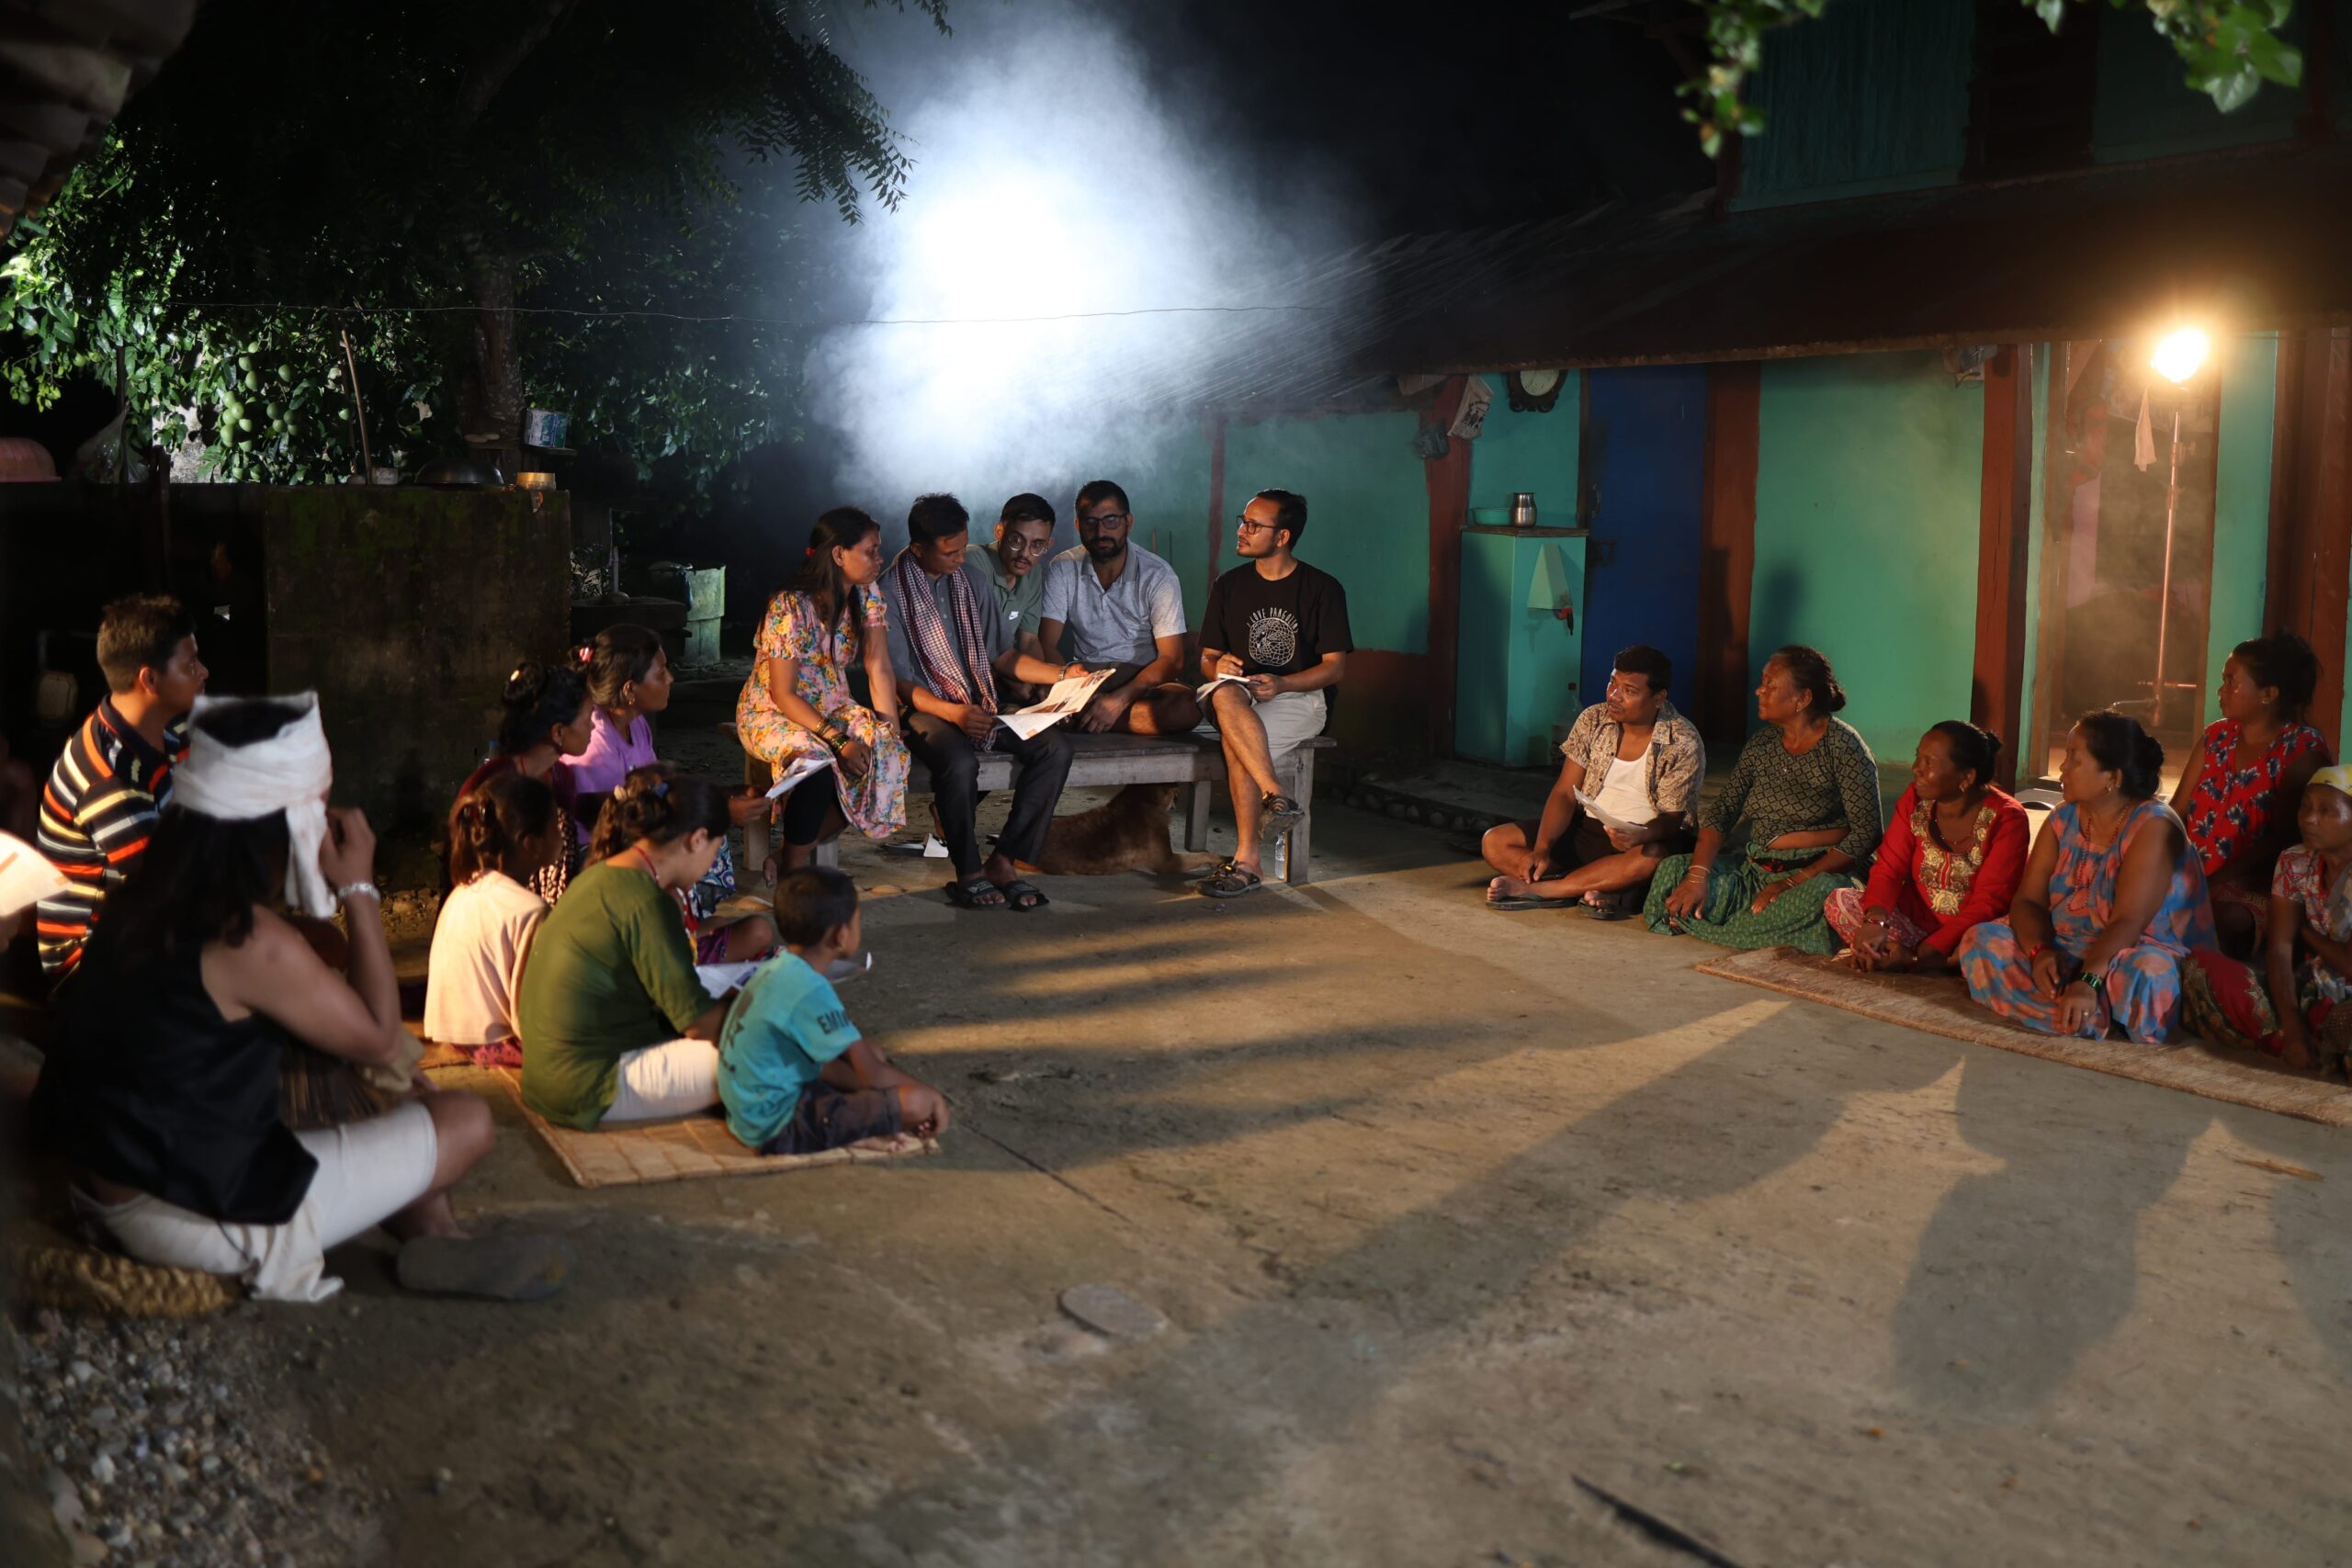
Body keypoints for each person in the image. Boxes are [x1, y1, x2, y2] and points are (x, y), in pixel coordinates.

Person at [28, 694, 561, 1303]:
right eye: (318, 801)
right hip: (188, 1215)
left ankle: (437, 1234)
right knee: (465, 1119)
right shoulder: (246, 936)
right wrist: (359, 886)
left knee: (380, 1086)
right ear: (280, 815)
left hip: (121, 1178)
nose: (329, 816)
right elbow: (382, 1035)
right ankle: (434, 1230)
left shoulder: (143, 898)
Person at [1958, 711, 2215, 1043]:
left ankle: (2076, 1008)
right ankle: (2083, 1017)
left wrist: (2088, 980)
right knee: (1981, 941)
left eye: (2074, 759)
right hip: (2066, 948)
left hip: (2131, 951)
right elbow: (2027, 900)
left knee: (2148, 975)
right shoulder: (2062, 819)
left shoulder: (2152, 824)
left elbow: (2128, 921)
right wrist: (2039, 953)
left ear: (2112, 777)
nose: (2063, 768)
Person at [884, 493, 1080, 911]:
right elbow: (900, 683)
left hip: (979, 700)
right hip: (924, 708)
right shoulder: (889, 592)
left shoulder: (970, 581)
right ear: (919, 549)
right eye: (949, 552)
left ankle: (1004, 860)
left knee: (1055, 748)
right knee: (959, 763)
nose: (959, 558)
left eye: (962, 547)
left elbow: (1004, 657)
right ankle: (969, 870)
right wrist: (953, 712)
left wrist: (1063, 675)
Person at [517, 768, 737, 1130]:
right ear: (697, 839)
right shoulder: (647, 899)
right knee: (771, 1047)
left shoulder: (602, 875)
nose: (710, 864)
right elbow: (696, 1021)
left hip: (548, 1076)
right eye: (715, 850)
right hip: (588, 1084)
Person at [1647, 646, 1883, 954]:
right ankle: (1748, 926)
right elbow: (1723, 812)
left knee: (1824, 896)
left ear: (1803, 699)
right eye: (1763, 682)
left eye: (1771, 685)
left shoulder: (1844, 748)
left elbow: (1867, 833)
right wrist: (1697, 877)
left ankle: (1708, 922)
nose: (1759, 690)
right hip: (1755, 871)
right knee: (1672, 871)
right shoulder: (1762, 743)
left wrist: (1790, 883)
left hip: (1814, 875)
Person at [568, 624, 775, 963]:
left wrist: (726, 795)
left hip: (631, 836)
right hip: (600, 850)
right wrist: (720, 811)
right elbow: (619, 818)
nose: (671, 679)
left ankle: (683, 931)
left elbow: (659, 790)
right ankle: (666, 942)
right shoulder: (595, 741)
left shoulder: (635, 723)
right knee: (702, 838)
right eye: (661, 672)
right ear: (630, 689)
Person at [718, 865, 951, 1155]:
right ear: (841, 935)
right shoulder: (810, 988)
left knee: (867, 1052)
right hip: (776, 1125)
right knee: (915, 1102)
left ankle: (850, 1129)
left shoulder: (779, 968)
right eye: (858, 921)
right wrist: (933, 1098)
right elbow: (874, 1076)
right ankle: (843, 1130)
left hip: (749, 1108)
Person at [37, 593, 208, 982]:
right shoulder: (110, 778)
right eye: (191, 664)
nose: (204, 672)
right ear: (149, 679)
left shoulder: (169, 728)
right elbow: (173, 895)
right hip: (92, 965)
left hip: (152, 921)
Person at [1193, 490, 1351, 897]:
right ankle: (1276, 795)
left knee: (1238, 744)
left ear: (1282, 537)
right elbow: (1207, 659)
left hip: (1300, 698)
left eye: (1253, 525)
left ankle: (1247, 864)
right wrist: (1219, 667)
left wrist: (1282, 683)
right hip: (1237, 695)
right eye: (1242, 521)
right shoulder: (1228, 586)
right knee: (1226, 697)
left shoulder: (1322, 588)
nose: (1241, 531)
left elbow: (1335, 667)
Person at [735, 507, 908, 880]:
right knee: (818, 762)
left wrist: (890, 727)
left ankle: (787, 855)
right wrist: (837, 741)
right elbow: (783, 694)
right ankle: (796, 877)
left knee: (884, 749)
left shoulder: (867, 594)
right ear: (839, 554)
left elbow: (878, 665)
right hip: (773, 711)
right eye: (871, 551)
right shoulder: (789, 605)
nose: (879, 558)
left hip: (833, 706)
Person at [1481, 644, 1703, 918]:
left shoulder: (1682, 740)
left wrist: (1641, 834)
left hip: (1640, 841)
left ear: (1659, 698)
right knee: (1494, 841)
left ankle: (1547, 890)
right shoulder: (1593, 718)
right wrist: (1542, 848)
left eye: (1629, 691)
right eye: (1612, 683)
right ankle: (1598, 885)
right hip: (1588, 831)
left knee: (1651, 858)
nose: (1614, 696)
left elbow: (1672, 820)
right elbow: (1565, 792)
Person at [2182, 765, 2352, 1074]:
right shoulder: (2294, 861)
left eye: (2326, 811)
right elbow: (2279, 949)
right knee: (2199, 969)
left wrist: (2304, 932)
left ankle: (2308, 1040)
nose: (2309, 819)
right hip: (2314, 989)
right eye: (2305, 807)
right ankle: (2304, 1039)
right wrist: (2293, 1028)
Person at [2170, 629, 2331, 954]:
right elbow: (2177, 808)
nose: (2221, 690)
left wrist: (2210, 884)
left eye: (2232, 681)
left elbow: (2282, 841)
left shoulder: (2301, 749)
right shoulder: (2215, 737)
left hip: (2253, 884)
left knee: (2219, 921)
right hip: (2195, 874)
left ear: (2268, 694)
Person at [1826, 722, 2032, 972]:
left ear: (1966, 778)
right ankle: (1913, 959)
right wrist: (1875, 922)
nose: (1916, 769)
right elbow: (1889, 868)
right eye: (1918, 758)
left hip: (1971, 930)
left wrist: (1920, 955)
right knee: (1840, 901)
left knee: (1993, 941)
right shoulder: (1915, 798)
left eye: (1929, 763)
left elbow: (1988, 903)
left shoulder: (2008, 817)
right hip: (1915, 922)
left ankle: (1925, 960)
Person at [1038, 479, 1201, 736]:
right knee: (1031, 687)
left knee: (1186, 708)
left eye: (1111, 521)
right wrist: (1071, 688)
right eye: (1091, 522)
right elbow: (1046, 644)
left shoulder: (1158, 575)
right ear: (1078, 525)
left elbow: (1173, 659)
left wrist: (1119, 700)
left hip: (1141, 681)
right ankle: (1098, 716)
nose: (1101, 531)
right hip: (1086, 677)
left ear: (1129, 523)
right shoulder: (1063, 567)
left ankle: (1087, 719)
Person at [425, 772, 560, 1067]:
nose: (562, 836)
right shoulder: (530, 910)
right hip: (494, 1045)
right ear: (531, 844)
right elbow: (534, 1022)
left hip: (453, 1037)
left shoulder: (464, 889)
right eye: (556, 828)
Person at [450, 659, 593, 904]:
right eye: (587, 718)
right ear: (558, 732)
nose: (592, 726)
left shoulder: (562, 778)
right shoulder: (492, 782)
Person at [984, 493, 1057, 699]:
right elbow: (979, 646)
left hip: (1007, 677)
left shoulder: (1033, 573)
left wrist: (1041, 686)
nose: (1025, 554)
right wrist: (1017, 683)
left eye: (1037, 545)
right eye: (1016, 540)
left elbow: (1030, 641)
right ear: (999, 531)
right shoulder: (975, 564)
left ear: (1048, 545)